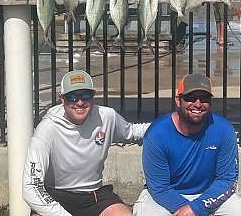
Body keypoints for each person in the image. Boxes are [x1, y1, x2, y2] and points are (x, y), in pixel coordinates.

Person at [22, 69, 150, 216]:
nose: (80, 102)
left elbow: (133, 132)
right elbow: (31, 186)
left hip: (94, 196)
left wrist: (170, 124)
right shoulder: (47, 129)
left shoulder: (107, 117)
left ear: (93, 96)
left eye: (86, 95)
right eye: (72, 97)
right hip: (56, 196)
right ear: (62, 98)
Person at [133, 73, 241, 216]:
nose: (198, 104)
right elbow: (159, 188)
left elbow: (227, 180)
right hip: (166, 196)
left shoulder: (224, 129)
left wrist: (199, 207)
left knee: (238, 211)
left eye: (204, 99)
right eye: (190, 98)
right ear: (178, 100)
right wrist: (191, 210)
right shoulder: (156, 134)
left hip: (207, 194)